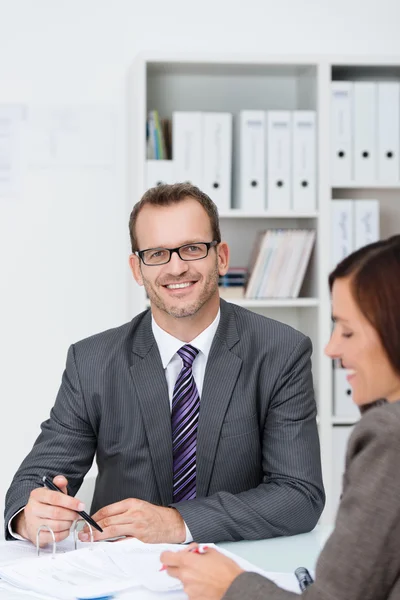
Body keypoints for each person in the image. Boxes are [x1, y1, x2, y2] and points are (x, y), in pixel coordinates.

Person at [4, 182, 324, 547]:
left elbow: (300, 495)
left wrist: (177, 523)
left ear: (220, 257)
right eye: (156, 253)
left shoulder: (281, 351)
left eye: (191, 248)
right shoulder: (91, 361)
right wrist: (30, 516)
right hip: (120, 575)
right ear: (137, 269)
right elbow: (35, 479)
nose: (176, 267)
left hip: (233, 569)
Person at [160, 234, 400, 600]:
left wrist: (229, 586)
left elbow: (299, 495)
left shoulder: (389, 435)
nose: (332, 348)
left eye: (348, 330)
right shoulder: (94, 358)